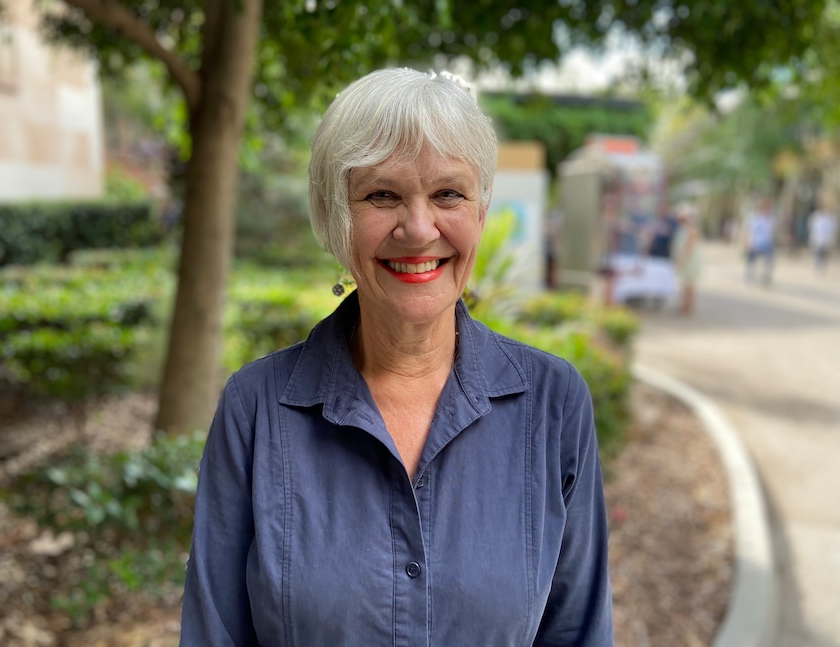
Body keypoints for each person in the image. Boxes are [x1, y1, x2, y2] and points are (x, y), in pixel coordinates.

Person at [179, 68, 613, 646]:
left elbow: (579, 633)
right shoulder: (255, 409)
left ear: (480, 213)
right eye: (382, 195)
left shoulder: (553, 404)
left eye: (448, 194)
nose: (418, 228)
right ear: (336, 217)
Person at [671, 203, 702, 315]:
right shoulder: (683, 228)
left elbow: (689, 247)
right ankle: (685, 304)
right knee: (685, 284)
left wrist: (682, 260)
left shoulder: (692, 229)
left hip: (690, 260)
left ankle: (688, 305)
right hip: (686, 258)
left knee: (690, 284)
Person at [742, 196, 777, 285]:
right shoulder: (753, 217)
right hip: (754, 242)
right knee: (751, 261)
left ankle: (766, 277)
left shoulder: (771, 218)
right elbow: (748, 230)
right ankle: (750, 275)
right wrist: (746, 242)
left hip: (767, 242)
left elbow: (772, 232)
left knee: (769, 261)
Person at [807, 203, 838, 273]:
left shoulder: (829, 217)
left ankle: (822, 265)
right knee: (818, 253)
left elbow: (833, 228)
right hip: (817, 238)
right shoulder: (816, 216)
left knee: (824, 253)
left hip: (825, 239)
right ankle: (818, 265)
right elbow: (811, 226)